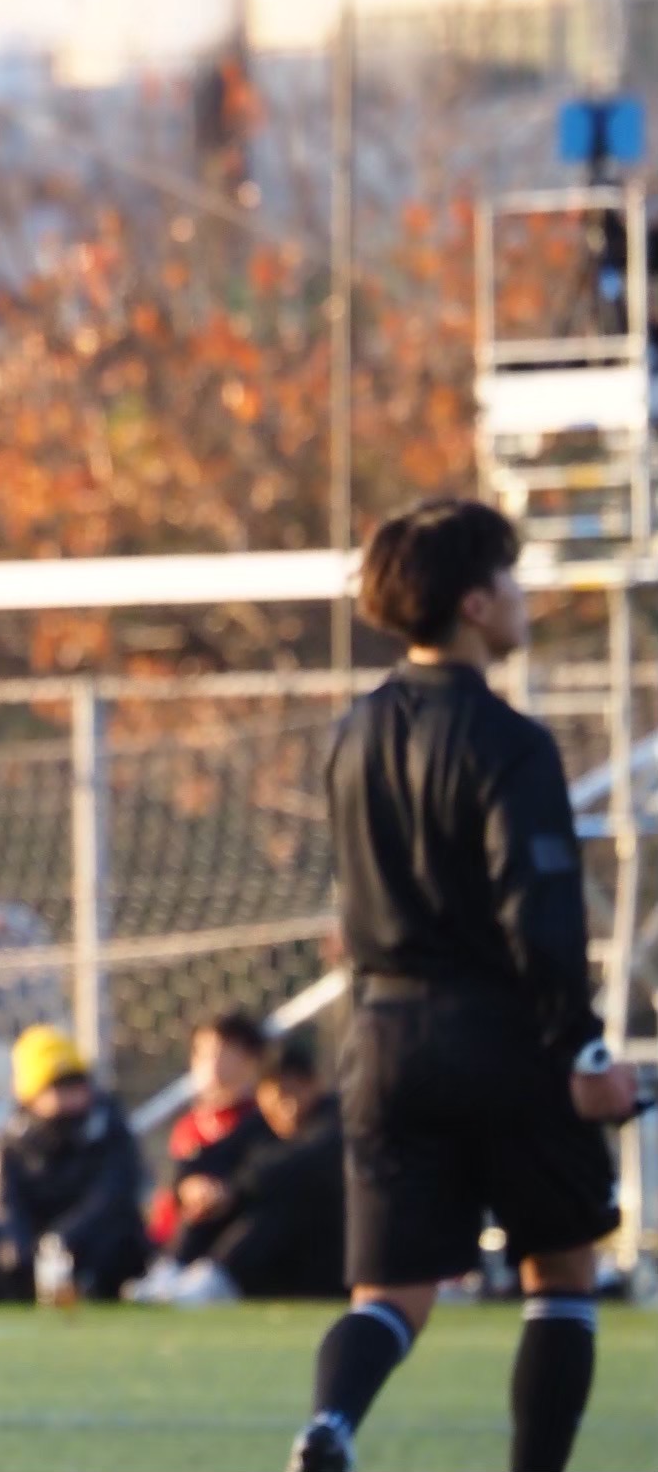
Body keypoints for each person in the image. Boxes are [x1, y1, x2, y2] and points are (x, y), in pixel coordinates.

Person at [286, 499, 641, 1472]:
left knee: (391, 1294)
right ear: (477, 604)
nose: (523, 598)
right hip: (504, 1037)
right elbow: (541, 912)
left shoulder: (353, 732)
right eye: (512, 580)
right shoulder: (510, 740)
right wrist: (585, 1051)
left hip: (383, 1039)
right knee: (560, 1272)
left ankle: (329, 1426)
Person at [134, 1034, 346, 1306]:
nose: (288, 1105)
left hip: (320, 1263)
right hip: (270, 1261)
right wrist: (191, 1185)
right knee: (208, 1200)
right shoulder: (260, 1124)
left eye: (296, 1090)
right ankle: (174, 1269)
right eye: (279, 1094)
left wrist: (232, 1189)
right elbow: (209, 1158)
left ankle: (217, 1278)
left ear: (315, 1085)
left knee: (279, 1203)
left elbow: (295, 1165)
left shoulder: (334, 1120)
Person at [0, 1025, 148, 1303]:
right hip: (33, 1239)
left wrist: (62, 1239)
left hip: (84, 1239)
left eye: (75, 1084)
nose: (69, 1096)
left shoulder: (108, 1129)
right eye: (57, 1087)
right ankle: (11, 1286)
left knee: (123, 1239)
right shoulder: (12, 1140)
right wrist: (20, 1245)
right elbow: (0, 1201)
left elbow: (114, 1194)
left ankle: (89, 1285)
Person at [147, 1011, 274, 1262]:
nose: (208, 1064)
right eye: (200, 1053)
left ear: (251, 1059)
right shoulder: (188, 1126)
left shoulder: (266, 1121)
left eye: (219, 1052)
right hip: (175, 1244)